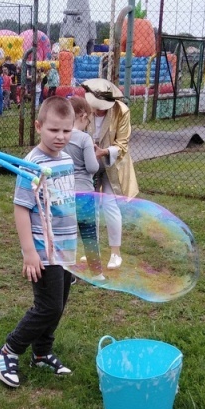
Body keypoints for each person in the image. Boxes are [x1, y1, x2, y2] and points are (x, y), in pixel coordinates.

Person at [0, 96, 78, 388]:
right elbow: (21, 208)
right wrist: (29, 253)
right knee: (48, 306)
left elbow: (65, 204)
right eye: (54, 130)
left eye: (66, 131)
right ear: (39, 126)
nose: (60, 137)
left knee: (60, 303)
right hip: (43, 248)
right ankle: (8, 351)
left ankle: (41, 352)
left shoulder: (66, 159)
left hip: (66, 247)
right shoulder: (32, 164)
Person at [81, 78, 139, 270]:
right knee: (90, 206)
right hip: (88, 163)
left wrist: (104, 152)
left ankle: (115, 254)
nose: (98, 111)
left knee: (109, 204)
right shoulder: (83, 107)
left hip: (112, 164)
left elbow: (122, 143)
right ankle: (92, 250)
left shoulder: (121, 111)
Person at [65, 96, 104, 279]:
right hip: (85, 193)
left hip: (64, 192)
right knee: (88, 231)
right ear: (82, 115)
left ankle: (68, 273)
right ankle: (96, 273)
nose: (89, 123)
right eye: (89, 118)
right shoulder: (85, 138)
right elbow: (92, 167)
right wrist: (95, 156)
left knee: (68, 233)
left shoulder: (60, 135)